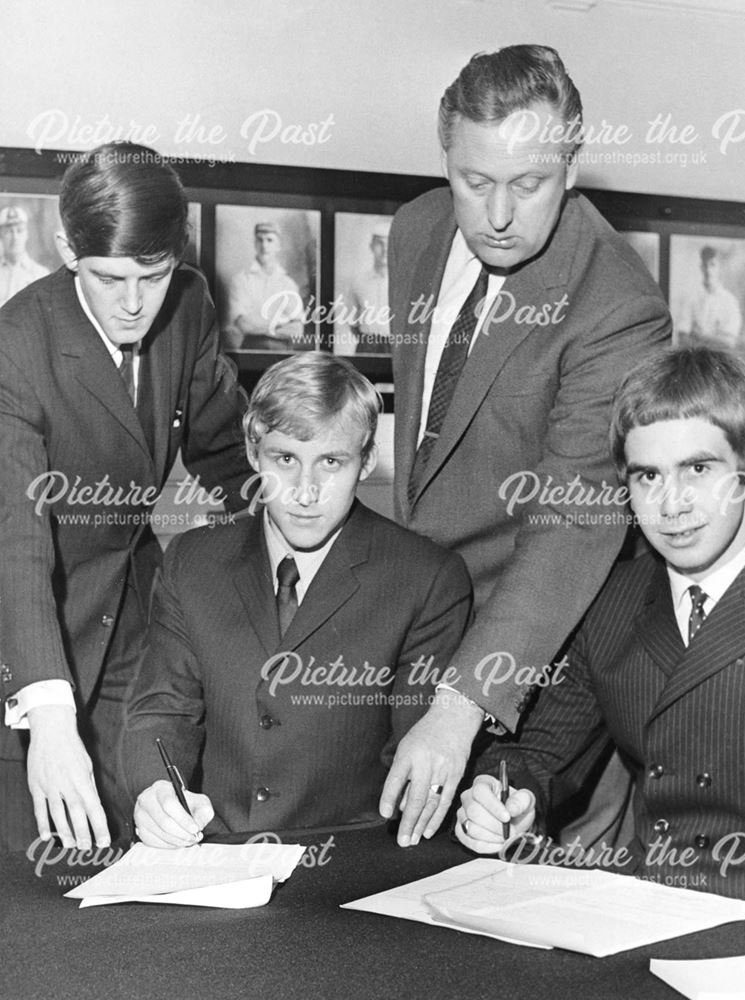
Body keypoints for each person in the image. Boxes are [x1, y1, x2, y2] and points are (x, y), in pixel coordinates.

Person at [379, 44, 671, 845]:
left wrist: (459, 704)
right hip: (417, 628)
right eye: (475, 183)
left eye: (529, 184)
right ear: (446, 160)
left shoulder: (616, 304)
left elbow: (571, 520)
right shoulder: (415, 230)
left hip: (537, 659)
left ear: (570, 169)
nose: (497, 216)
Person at [457, 347, 745, 932]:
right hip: (642, 913)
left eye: (698, 469)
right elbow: (535, 755)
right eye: (648, 476)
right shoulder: (612, 600)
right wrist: (505, 797)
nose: (672, 503)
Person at [0, 142, 252, 852]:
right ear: (66, 249)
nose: (136, 304)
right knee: (39, 880)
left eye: (154, 274)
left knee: (156, 846)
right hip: (29, 642)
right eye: (112, 279)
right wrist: (49, 717)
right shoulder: (15, 348)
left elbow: (224, 451)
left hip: (133, 625)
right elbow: (15, 546)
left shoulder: (191, 304)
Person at [122, 353, 472, 845]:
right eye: (285, 459)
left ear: (367, 460)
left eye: (331, 462)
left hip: (349, 876)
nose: (305, 492)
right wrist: (155, 792)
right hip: (216, 858)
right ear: (252, 452)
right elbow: (163, 711)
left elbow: (417, 759)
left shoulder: (427, 578)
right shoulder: (191, 560)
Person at [224, 220, 305, 351]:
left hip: (282, 352)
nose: (264, 246)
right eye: (260, 240)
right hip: (252, 349)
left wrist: (259, 324)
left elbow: (297, 330)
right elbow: (243, 324)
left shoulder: (289, 284)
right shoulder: (241, 280)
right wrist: (279, 324)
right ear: (255, 244)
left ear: (278, 246)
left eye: (270, 240)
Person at [676, 245, 743, 354]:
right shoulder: (691, 297)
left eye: (712, 265)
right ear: (701, 267)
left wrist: (700, 336)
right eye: (705, 265)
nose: (708, 270)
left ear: (720, 268)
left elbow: (729, 343)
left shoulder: (730, 301)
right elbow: (682, 338)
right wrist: (714, 340)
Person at [348, 219, 392, 354]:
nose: (385, 249)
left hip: (394, 346)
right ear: (371, 246)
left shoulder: (403, 283)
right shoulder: (359, 282)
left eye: (388, 243)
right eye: (380, 243)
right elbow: (353, 322)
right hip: (367, 345)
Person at [0, 205, 49, 307]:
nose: (15, 237)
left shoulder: (40, 274)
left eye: (19, 231)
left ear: (26, 234)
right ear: (1, 236)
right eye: (9, 232)